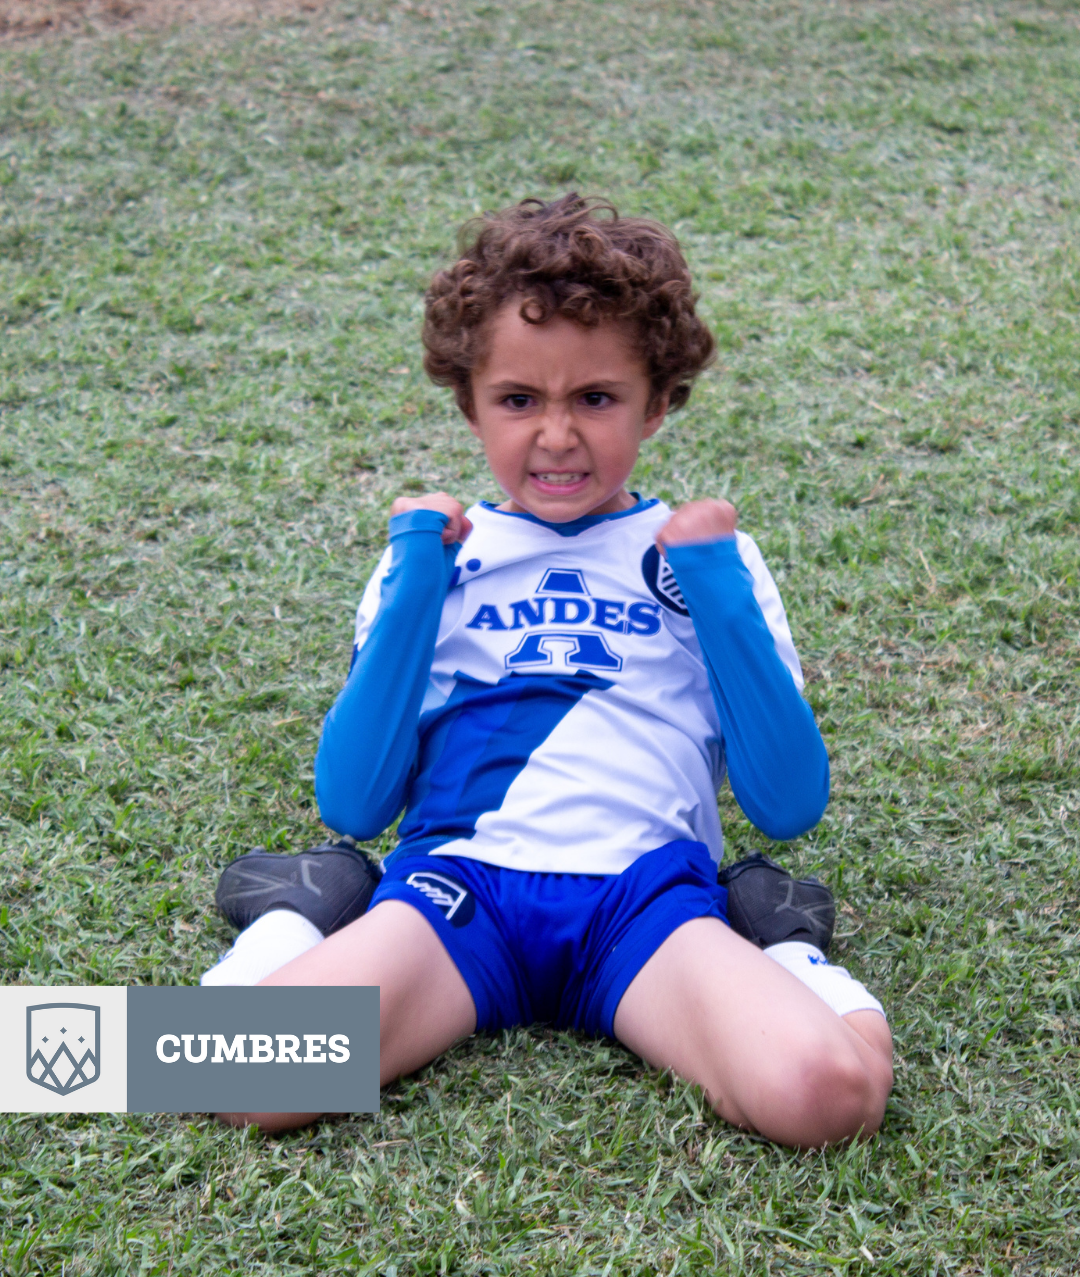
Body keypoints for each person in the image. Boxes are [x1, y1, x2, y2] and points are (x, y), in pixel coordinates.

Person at [204, 194, 893, 1146]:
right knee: (231, 1075)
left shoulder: (697, 556)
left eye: (596, 399)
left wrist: (715, 584)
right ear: (469, 402)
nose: (557, 436)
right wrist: (414, 582)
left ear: (657, 402)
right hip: (460, 895)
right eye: (519, 400)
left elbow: (787, 803)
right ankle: (299, 913)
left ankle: (787, 947)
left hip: (643, 902)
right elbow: (357, 805)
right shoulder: (440, 552)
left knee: (829, 1098)